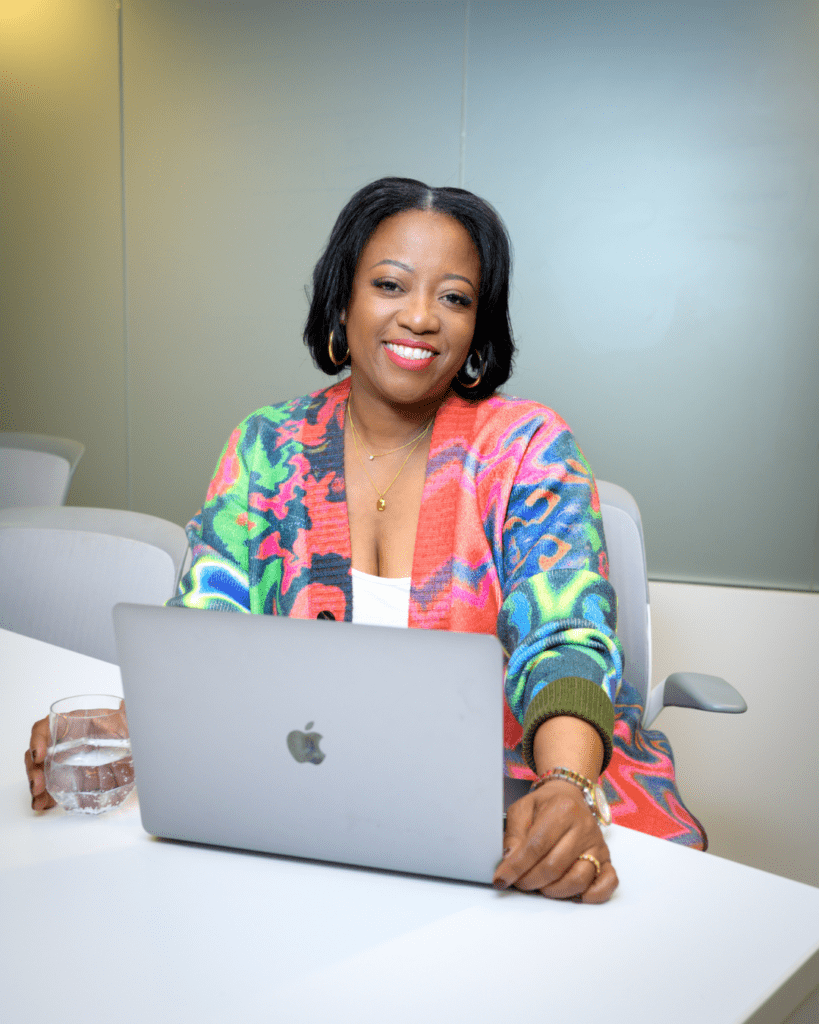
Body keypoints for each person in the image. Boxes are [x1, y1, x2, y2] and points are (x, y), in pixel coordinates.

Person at [25, 177, 705, 898]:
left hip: (506, 805)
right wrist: (126, 720)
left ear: (479, 325)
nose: (420, 318)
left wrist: (565, 784)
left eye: (454, 298)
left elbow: (566, 636)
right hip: (308, 807)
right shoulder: (268, 446)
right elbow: (206, 628)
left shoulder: (527, 446)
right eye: (390, 284)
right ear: (341, 299)